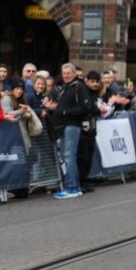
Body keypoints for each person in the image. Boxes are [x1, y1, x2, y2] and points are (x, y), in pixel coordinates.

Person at [52, 63, 96, 199]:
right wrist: (56, 109)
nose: (66, 75)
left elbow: (87, 108)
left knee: (69, 156)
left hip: (72, 126)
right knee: (69, 157)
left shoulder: (79, 87)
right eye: (64, 73)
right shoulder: (66, 87)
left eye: (68, 73)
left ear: (74, 73)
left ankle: (71, 187)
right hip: (64, 126)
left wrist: (66, 111)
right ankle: (75, 187)